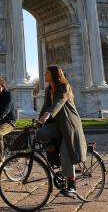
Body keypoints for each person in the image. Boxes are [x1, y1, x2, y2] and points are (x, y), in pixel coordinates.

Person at [37, 65, 87, 197]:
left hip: (70, 125)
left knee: (66, 153)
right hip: (57, 124)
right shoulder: (48, 90)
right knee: (41, 133)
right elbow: (45, 107)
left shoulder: (65, 87)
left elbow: (59, 102)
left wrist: (48, 114)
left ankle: (72, 185)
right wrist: (38, 122)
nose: (44, 74)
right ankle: (55, 155)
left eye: (46, 72)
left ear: (54, 74)